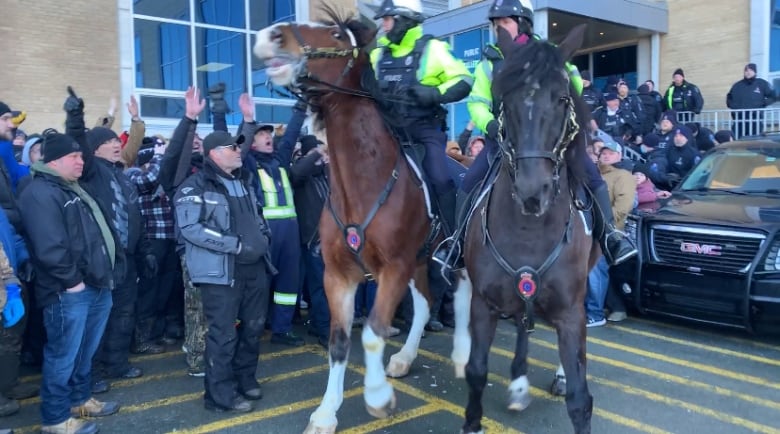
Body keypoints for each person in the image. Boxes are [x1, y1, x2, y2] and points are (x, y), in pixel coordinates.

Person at [460, 0, 636, 267]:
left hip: (549, 140)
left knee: (591, 174)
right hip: (505, 139)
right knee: (468, 181)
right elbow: (477, 102)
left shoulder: (551, 53)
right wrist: (491, 126)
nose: (500, 29)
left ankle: (611, 236)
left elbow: (574, 84)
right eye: (496, 24)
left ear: (523, 23)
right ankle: (456, 243)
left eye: (505, 22)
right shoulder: (489, 63)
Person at [19, 132, 119, 434]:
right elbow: (50, 247)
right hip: (69, 290)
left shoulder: (71, 189)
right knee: (63, 356)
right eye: (75, 156)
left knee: (83, 352)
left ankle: (79, 399)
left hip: (95, 284)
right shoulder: (40, 193)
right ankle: (55, 419)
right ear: (55, 161)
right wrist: (73, 282)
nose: (81, 160)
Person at [369, 0, 473, 264]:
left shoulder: (433, 49)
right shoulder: (378, 54)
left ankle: (452, 242)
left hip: (424, 131)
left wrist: (433, 93)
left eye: (388, 19)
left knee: (439, 176)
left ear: (404, 20)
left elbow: (464, 80)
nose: (383, 25)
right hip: (387, 133)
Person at [174, 130, 270, 413]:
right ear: (214, 153)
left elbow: (258, 218)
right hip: (220, 273)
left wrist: (263, 239)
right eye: (232, 147)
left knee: (253, 329)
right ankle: (219, 396)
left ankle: (245, 379)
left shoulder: (245, 182)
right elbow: (190, 229)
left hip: (255, 269)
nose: (239, 150)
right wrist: (235, 245)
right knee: (223, 334)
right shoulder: (195, 186)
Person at [238, 94, 305, 347]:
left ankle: (282, 330)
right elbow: (239, 146)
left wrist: (301, 107)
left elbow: (290, 135)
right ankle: (252, 330)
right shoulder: (248, 164)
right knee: (259, 285)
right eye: (260, 134)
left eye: (268, 134)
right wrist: (246, 119)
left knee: (288, 284)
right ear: (251, 143)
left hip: (290, 232)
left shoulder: (280, 160)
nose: (268, 137)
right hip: (265, 233)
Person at [585, 139, 636, 327]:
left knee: (595, 271)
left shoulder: (623, 176)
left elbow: (623, 207)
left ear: (619, 156)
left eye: (610, 153)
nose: (605, 155)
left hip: (607, 232)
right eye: (603, 153)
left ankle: (595, 313)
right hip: (587, 229)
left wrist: (597, 219)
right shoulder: (593, 173)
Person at [726, 63, 775, 138]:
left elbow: (773, 96)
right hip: (739, 120)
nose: (748, 72)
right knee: (738, 142)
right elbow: (729, 97)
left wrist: (762, 103)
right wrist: (733, 106)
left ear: (755, 72)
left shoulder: (761, 83)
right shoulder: (737, 85)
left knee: (754, 141)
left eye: (751, 70)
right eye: (746, 70)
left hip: (755, 119)